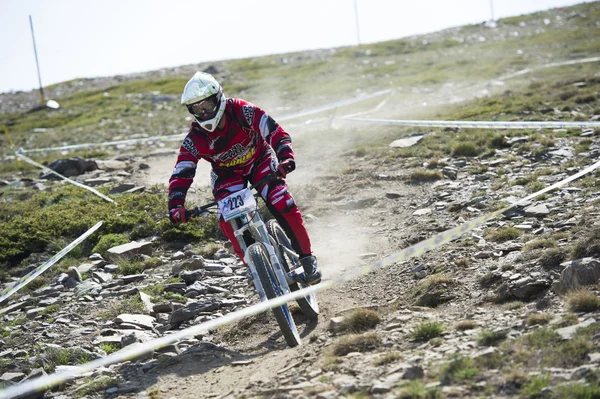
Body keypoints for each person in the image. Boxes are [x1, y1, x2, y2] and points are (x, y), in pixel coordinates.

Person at [168, 71, 321, 285]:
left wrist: (285, 157)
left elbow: (274, 131)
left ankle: (307, 257)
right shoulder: (195, 138)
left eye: (207, 105)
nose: (204, 112)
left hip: (260, 160)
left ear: (218, 98)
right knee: (226, 218)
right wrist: (175, 205)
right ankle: (254, 266)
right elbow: (182, 172)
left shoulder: (242, 110)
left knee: (282, 202)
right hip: (227, 174)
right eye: (197, 108)